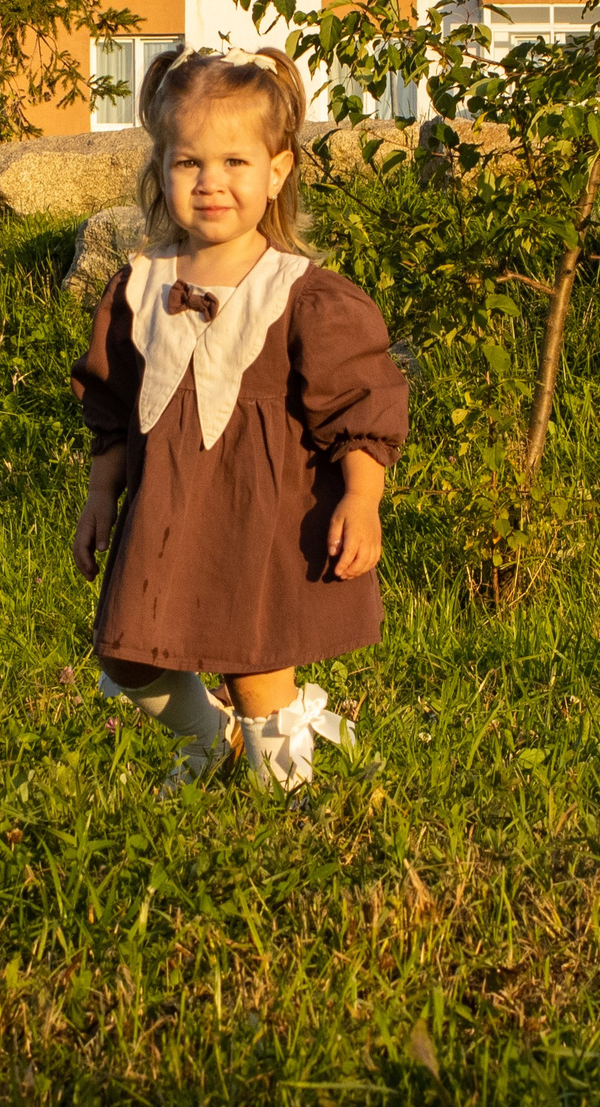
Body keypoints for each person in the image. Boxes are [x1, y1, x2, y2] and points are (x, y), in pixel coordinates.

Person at [69, 45, 406, 788]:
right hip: (164, 515)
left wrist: (362, 497)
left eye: (235, 163)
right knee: (126, 652)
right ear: (161, 169)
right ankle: (210, 737)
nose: (210, 183)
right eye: (189, 163)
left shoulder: (302, 294)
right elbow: (112, 404)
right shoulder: (139, 287)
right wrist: (101, 496)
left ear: (277, 170)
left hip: (264, 520)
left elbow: (359, 406)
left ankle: (286, 794)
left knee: (255, 669)